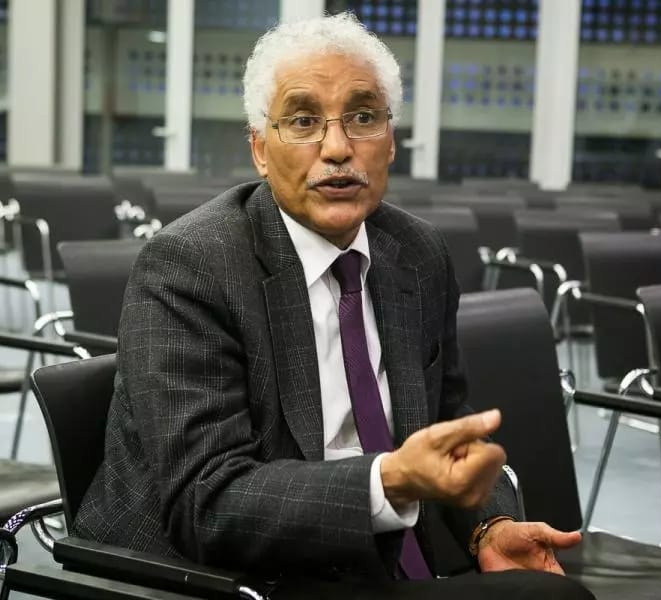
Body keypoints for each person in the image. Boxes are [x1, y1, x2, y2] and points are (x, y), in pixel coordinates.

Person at [74, 12, 593, 599]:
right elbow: (208, 501)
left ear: (391, 141)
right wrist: (389, 481)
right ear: (259, 148)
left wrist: (488, 528)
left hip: (375, 556)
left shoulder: (417, 252)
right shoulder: (191, 265)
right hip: (223, 577)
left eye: (363, 118)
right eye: (302, 121)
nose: (339, 149)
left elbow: (443, 418)